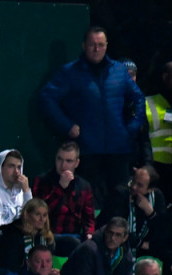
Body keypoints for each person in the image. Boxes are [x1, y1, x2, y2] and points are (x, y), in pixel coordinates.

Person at [39, 26, 145, 208]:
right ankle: (91, 235)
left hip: (118, 149)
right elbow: (47, 98)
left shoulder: (119, 71)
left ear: (106, 46)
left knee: (120, 200)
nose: (96, 49)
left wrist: (132, 128)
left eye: (100, 45)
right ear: (83, 46)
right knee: (89, 201)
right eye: (92, 45)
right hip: (88, 150)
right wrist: (67, 126)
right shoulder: (70, 72)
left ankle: (119, 235)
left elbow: (139, 98)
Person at [31, 142, 96, 254]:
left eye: (68, 161)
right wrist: (60, 188)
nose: (63, 165)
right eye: (59, 159)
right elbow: (39, 212)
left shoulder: (84, 186)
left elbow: (88, 219)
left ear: (77, 163)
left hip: (73, 236)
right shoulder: (42, 181)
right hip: (46, 234)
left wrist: (89, 235)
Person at [62, 217, 134, 275]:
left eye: (118, 235)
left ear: (125, 238)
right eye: (110, 233)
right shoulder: (89, 249)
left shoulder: (125, 253)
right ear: (105, 232)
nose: (112, 238)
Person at [98, 165, 169, 255]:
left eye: (139, 185)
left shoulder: (157, 197)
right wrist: (141, 244)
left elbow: (163, 231)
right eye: (133, 181)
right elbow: (115, 226)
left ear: (150, 189)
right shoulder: (120, 193)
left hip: (146, 248)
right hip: (120, 244)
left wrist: (150, 213)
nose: (134, 187)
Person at [0, 197, 55, 272]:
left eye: (44, 215)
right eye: (38, 214)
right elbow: (10, 265)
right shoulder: (12, 235)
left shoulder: (47, 237)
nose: (42, 219)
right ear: (26, 215)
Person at [0, 149, 34, 235]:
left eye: (19, 167)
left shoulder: (22, 191)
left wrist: (27, 191)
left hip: (19, 238)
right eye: (11, 166)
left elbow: (31, 219)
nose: (16, 171)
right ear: (1, 168)